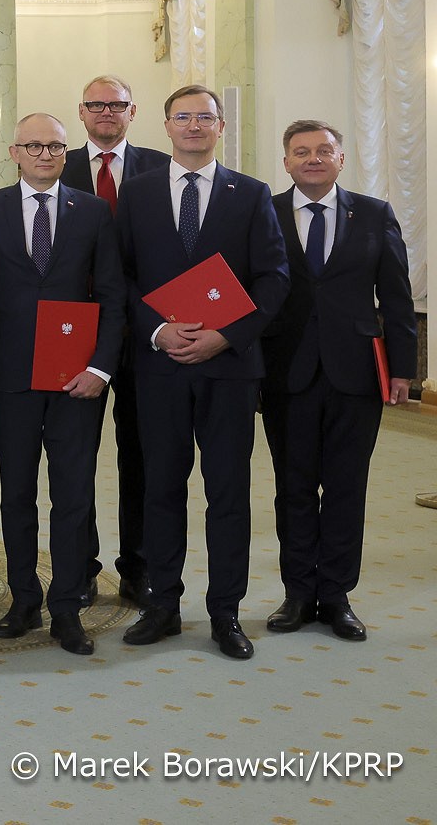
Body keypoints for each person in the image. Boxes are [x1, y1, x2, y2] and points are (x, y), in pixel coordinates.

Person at [116, 85, 288, 660]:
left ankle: (225, 611)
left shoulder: (251, 193)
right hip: (158, 366)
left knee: (228, 493)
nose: (194, 125)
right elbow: (120, 276)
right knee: (160, 488)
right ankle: (162, 604)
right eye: (183, 116)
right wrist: (157, 331)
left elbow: (273, 277)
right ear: (166, 125)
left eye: (205, 117)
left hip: (229, 369)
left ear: (221, 126)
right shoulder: (136, 193)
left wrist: (227, 335)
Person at [0, 113, 124, 655]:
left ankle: (67, 607)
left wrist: (100, 369)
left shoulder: (93, 211)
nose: (45, 154)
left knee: (74, 495)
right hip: (11, 380)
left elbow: (112, 296)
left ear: (65, 152)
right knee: (17, 496)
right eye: (33, 145)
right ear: (14, 152)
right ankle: (24, 600)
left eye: (55, 146)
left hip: (77, 379)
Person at [261, 120, 417, 643]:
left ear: (341, 159)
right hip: (286, 372)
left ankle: (336, 596)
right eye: (301, 151)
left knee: (347, 487)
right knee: (294, 488)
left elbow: (396, 296)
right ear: (286, 161)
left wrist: (402, 369)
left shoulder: (374, 213)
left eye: (323, 150)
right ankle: (298, 593)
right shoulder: (266, 212)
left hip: (357, 373)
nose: (313, 158)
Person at [61, 73, 168, 605]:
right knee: (76, 457)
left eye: (116, 104)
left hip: (149, 333)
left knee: (142, 457)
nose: (106, 112)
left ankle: (138, 567)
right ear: (81, 112)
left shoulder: (161, 168)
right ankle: (81, 567)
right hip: (76, 334)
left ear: (133, 111)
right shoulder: (58, 166)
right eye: (96, 104)